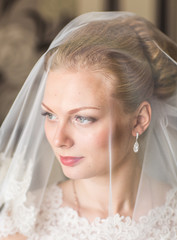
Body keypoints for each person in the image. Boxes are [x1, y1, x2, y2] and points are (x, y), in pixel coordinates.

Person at [0, 11, 177, 240]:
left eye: (82, 118)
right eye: (50, 114)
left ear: (139, 120)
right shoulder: (24, 224)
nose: (58, 139)